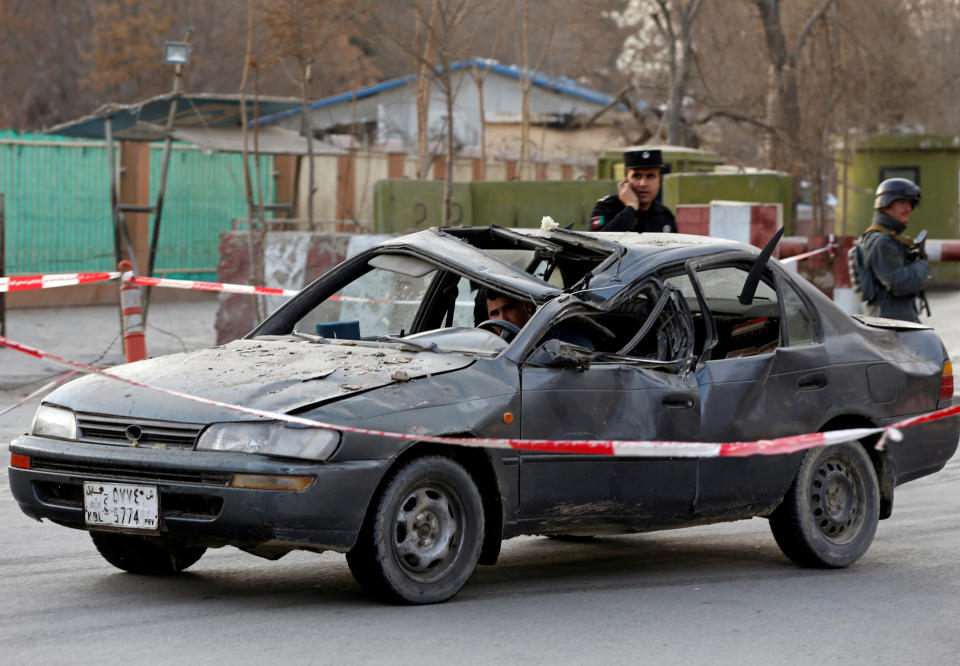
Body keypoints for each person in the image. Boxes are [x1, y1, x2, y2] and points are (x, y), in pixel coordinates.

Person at [859, 178, 932, 323]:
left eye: (910, 203)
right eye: (901, 202)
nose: (908, 208)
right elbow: (899, 283)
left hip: (893, 318)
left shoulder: (888, 238)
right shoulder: (882, 241)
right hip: (892, 322)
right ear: (885, 203)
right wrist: (922, 266)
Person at [590, 148, 678, 233]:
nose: (643, 183)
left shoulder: (665, 216)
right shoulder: (607, 207)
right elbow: (597, 242)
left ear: (660, 180)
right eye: (637, 176)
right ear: (626, 179)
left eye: (650, 176)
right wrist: (631, 208)